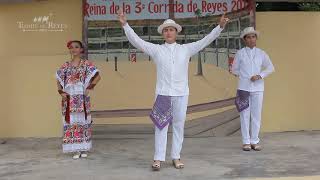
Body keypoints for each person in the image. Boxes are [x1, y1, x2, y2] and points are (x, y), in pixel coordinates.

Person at [118, 10, 229, 170]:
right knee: (161, 126)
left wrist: (219, 27)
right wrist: (125, 25)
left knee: (178, 125)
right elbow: (137, 41)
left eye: (171, 29)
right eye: (166, 30)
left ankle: (176, 156)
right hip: (163, 94)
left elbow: (206, 40)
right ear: (162, 34)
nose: (169, 32)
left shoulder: (186, 49)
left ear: (176, 32)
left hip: (181, 93)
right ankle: (158, 158)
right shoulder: (157, 50)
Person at [232, 27, 275, 151]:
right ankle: (246, 141)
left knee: (256, 115)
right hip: (243, 88)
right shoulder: (240, 53)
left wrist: (260, 75)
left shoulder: (261, 53)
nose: (251, 39)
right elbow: (234, 69)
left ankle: (254, 141)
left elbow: (270, 68)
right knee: (244, 114)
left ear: (256, 38)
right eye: (248, 37)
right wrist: (244, 75)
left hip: (258, 88)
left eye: (253, 37)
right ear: (244, 40)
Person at [56, 40, 101, 159]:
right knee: (72, 122)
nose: (73, 49)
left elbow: (97, 77)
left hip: (81, 98)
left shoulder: (87, 64)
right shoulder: (65, 66)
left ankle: (83, 148)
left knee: (83, 121)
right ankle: (75, 149)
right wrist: (61, 92)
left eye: (76, 47)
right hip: (69, 99)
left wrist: (89, 88)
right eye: (71, 47)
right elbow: (58, 80)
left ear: (81, 49)